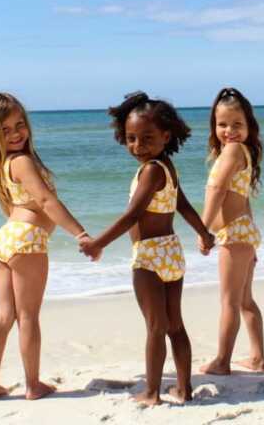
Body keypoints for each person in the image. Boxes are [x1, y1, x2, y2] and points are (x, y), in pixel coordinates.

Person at [80, 92, 215, 405]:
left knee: (155, 327)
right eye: (130, 138)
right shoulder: (167, 167)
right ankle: (183, 388)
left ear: (166, 136)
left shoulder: (151, 170)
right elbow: (181, 204)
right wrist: (204, 233)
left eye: (147, 138)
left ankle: (152, 392)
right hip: (172, 252)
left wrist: (98, 242)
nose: (137, 146)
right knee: (175, 326)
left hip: (150, 257)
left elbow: (133, 215)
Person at [0, 92, 96, 402]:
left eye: (19, 124)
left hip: (6, 240)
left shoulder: (2, 163)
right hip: (27, 242)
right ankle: (32, 385)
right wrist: (80, 233)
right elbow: (45, 201)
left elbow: (17, 204)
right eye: (5, 130)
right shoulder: (23, 161)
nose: (16, 134)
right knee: (28, 317)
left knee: (4, 316)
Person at [199, 87, 264, 375]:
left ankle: (222, 361)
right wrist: (252, 241)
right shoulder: (242, 152)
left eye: (237, 124)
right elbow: (244, 199)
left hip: (234, 234)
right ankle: (257, 358)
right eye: (222, 124)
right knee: (244, 299)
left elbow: (217, 189)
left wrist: (203, 228)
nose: (229, 130)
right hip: (244, 232)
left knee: (229, 301)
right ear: (214, 126)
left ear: (249, 126)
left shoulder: (233, 150)